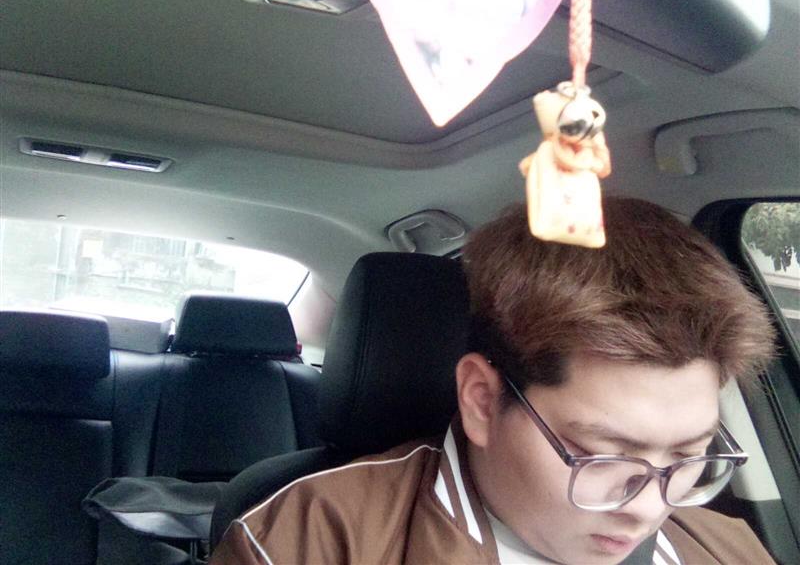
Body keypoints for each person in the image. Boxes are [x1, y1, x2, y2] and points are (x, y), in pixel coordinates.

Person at [211, 198, 776, 565]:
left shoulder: (728, 551)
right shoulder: (307, 542)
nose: (649, 509)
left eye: (688, 457)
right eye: (599, 456)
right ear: (482, 400)